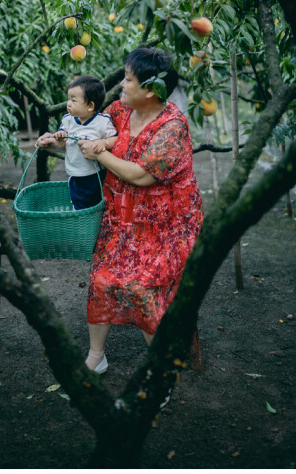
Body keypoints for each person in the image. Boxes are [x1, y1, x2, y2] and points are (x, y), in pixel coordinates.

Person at [78, 47, 202, 376]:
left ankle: (161, 368)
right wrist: (61, 138)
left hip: (167, 230)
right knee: (101, 279)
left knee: (141, 287)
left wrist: (99, 154)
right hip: (123, 222)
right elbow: (92, 130)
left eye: (128, 79)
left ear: (150, 89)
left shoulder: (172, 127)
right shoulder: (120, 110)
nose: (121, 84)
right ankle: (96, 355)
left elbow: (141, 176)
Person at [35, 74, 116, 211]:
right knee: (79, 206)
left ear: (90, 106)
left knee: (98, 206)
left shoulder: (102, 122)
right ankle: (81, 225)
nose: (68, 103)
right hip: (74, 175)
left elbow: (116, 139)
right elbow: (62, 135)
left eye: (73, 100)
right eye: (68, 99)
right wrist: (60, 135)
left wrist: (104, 142)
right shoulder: (68, 120)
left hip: (96, 176)